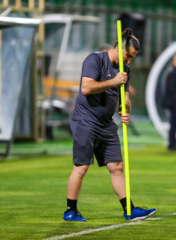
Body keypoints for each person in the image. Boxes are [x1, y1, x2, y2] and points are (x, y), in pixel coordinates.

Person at [64, 29, 156, 222]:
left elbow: (125, 99)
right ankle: (70, 211)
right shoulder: (94, 60)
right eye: (128, 55)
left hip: (106, 124)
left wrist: (125, 110)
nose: (129, 61)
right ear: (117, 48)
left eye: (132, 57)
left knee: (117, 166)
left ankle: (129, 210)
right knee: (81, 167)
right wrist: (114, 80)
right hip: (86, 120)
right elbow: (86, 87)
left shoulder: (125, 70)